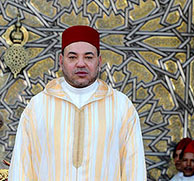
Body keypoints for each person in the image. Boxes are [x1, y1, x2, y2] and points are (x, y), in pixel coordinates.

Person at [9, 25, 146, 180]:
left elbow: (134, 168)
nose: (81, 64)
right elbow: (22, 165)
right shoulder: (38, 106)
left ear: (99, 61)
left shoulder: (121, 106)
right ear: (61, 61)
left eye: (88, 57)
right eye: (72, 57)